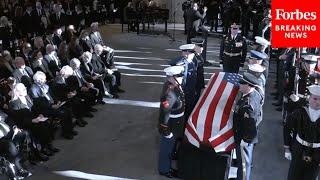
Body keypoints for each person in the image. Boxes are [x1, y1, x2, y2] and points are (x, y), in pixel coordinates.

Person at [284, 85, 320, 180]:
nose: (318, 102)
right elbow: (287, 127)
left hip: (317, 153)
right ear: (309, 98)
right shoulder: (300, 112)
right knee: (293, 176)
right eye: (315, 99)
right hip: (299, 149)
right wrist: (287, 147)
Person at [233, 72, 262, 180]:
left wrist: (245, 140)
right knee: (243, 163)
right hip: (244, 136)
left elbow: (251, 125)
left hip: (244, 139)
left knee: (244, 164)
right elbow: (259, 116)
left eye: (242, 83)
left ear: (249, 86)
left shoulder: (248, 104)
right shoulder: (255, 94)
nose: (239, 84)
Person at [158, 65, 185, 178]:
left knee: (170, 147)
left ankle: (167, 166)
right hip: (170, 125)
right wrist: (166, 130)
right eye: (179, 76)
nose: (181, 78)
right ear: (172, 77)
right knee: (166, 149)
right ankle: (164, 169)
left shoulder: (175, 85)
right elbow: (164, 113)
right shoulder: (170, 93)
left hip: (176, 122)